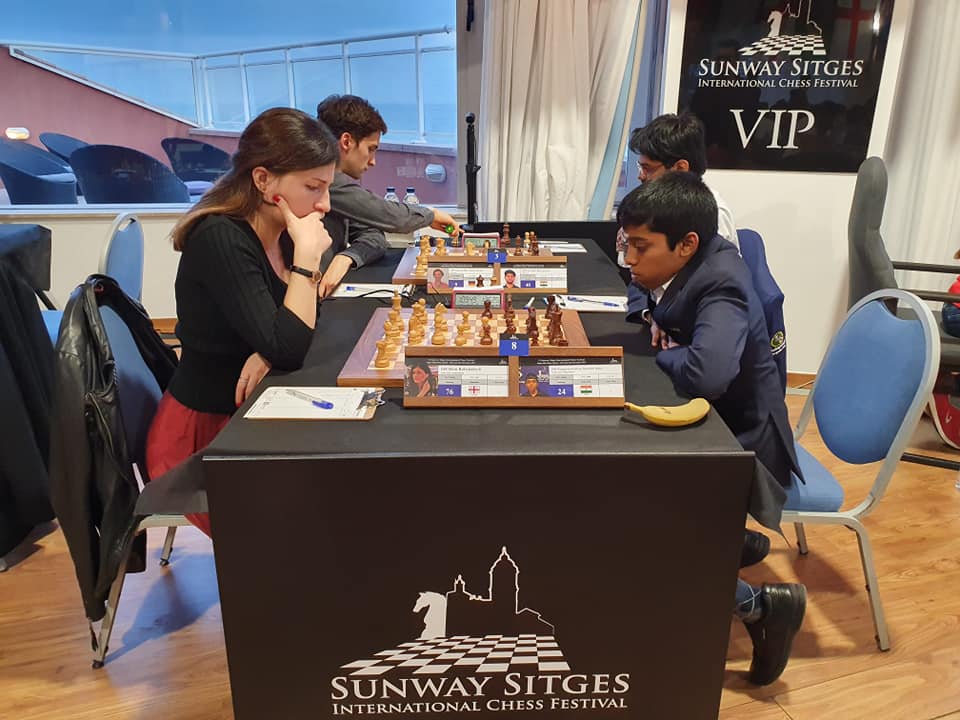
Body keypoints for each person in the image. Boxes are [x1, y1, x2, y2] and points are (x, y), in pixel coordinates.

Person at [619, 172, 806, 686]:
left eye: (640, 247)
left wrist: (670, 352)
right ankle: (731, 542)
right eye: (627, 244)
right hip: (719, 422)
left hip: (744, 444)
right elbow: (647, 298)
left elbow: (707, 374)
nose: (629, 259)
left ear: (686, 244)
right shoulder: (687, 261)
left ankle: (763, 607)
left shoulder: (721, 282)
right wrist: (659, 322)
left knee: (644, 523)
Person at [145, 108, 338, 538]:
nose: (324, 204)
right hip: (202, 443)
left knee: (344, 485)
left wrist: (267, 346)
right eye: (313, 187)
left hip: (250, 418)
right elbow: (291, 345)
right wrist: (307, 264)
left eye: (326, 187)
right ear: (263, 180)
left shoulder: (282, 232)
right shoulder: (221, 238)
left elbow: (303, 325)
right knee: (319, 517)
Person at [316, 94, 462, 297]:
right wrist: (431, 215)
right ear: (347, 141)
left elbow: (374, 235)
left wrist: (347, 257)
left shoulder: (334, 185)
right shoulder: (325, 184)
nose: (373, 161)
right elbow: (390, 216)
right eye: (371, 149)